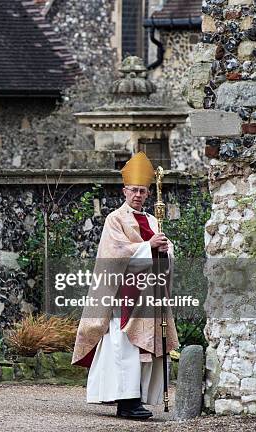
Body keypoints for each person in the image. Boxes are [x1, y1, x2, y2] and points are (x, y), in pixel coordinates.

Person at [71, 152, 179, 420]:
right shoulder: (115, 219)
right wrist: (147, 247)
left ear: (147, 194)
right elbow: (115, 254)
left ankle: (138, 398)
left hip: (149, 295)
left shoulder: (154, 222)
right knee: (125, 347)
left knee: (144, 346)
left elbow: (166, 256)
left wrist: (165, 250)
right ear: (124, 191)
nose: (138, 195)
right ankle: (126, 401)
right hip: (124, 294)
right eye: (133, 190)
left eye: (142, 191)